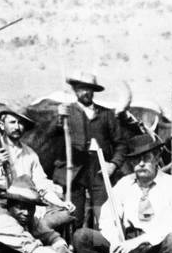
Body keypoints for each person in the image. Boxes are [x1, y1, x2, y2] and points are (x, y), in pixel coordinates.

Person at [0, 105, 76, 240]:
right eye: (12, 122)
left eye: (21, 123)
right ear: (2, 125)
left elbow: (41, 185)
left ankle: (43, 239)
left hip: (24, 204)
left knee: (65, 214)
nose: (17, 127)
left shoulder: (30, 154)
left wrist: (61, 203)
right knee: (10, 225)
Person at [54, 72, 127, 228]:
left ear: (94, 91)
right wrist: (59, 119)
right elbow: (54, 139)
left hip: (100, 170)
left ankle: (103, 242)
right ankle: (75, 243)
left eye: (89, 89)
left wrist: (113, 165)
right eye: (82, 88)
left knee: (105, 215)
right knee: (74, 217)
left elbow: (121, 144)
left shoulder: (107, 114)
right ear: (75, 90)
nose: (86, 92)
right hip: (73, 171)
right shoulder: (66, 112)